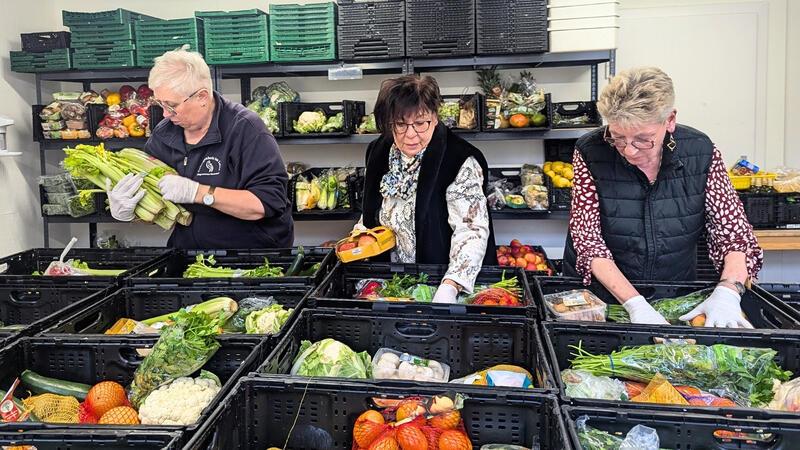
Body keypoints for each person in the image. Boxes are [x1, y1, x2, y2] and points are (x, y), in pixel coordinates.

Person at [563, 67, 763, 328]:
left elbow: (734, 234)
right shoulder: (590, 151)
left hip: (674, 295)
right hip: (604, 299)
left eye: (643, 139)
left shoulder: (700, 152)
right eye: (618, 138)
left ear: (670, 120)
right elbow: (588, 240)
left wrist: (728, 291)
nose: (630, 151)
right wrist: (635, 305)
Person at [106, 47, 293, 249]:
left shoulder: (245, 129)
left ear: (202, 97)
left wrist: (198, 193)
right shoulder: (163, 135)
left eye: (171, 105)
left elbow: (266, 203)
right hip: (189, 254)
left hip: (251, 254)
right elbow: (160, 212)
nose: (165, 115)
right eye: (160, 104)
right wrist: (129, 211)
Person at [359, 75, 497, 304]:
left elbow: (471, 229)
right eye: (400, 124)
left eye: (420, 123)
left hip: (441, 281)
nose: (410, 134)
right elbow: (372, 209)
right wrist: (360, 235)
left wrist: (451, 286)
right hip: (391, 283)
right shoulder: (378, 151)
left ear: (435, 116)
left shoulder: (459, 158)